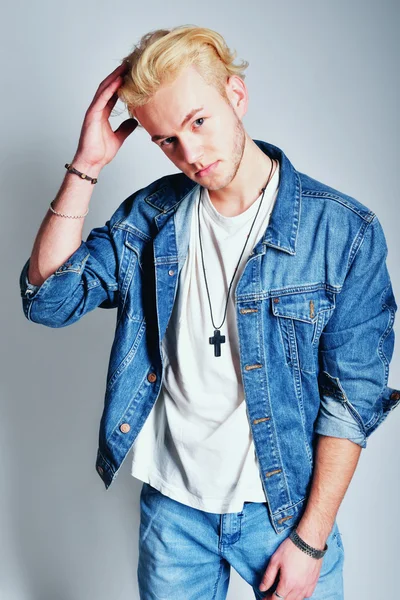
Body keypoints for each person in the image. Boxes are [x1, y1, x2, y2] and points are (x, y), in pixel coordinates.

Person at [19, 25, 400, 600]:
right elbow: (49, 300)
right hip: (174, 515)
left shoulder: (343, 232)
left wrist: (311, 541)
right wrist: (87, 163)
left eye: (198, 121)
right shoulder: (151, 218)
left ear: (236, 97)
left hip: (284, 514)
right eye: (167, 140)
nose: (190, 154)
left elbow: (353, 401)